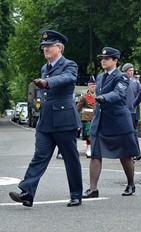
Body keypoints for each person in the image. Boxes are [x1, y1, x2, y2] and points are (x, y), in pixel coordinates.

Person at [9, 30, 83, 207]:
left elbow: (67, 78)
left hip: (64, 119)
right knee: (39, 156)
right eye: (44, 47)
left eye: (49, 46)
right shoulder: (45, 68)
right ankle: (27, 192)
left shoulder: (69, 65)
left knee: (70, 158)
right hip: (46, 121)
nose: (45, 49)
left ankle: (75, 194)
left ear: (59, 48)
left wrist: (47, 82)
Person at [82, 47, 139, 198]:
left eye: (107, 59)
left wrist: (104, 98)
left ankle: (130, 184)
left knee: (125, 155)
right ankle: (93, 188)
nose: (103, 61)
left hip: (118, 121)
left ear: (115, 61)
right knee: (95, 154)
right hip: (101, 120)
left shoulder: (123, 77)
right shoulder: (100, 77)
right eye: (102, 58)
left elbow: (119, 93)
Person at [123, 63, 141, 160]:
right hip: (123, 110)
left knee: (134, 132)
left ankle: (136, 152)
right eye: (129, 70)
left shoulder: (136, 82)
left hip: (133, 111)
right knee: (127, 132)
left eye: (132, 70)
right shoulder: (121, 81)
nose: (131, 72)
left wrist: (136, 103)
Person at [76, 79, 96, 158]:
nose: (93, 88)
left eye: (95, 86)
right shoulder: (84, 97)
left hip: (95, 117)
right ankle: (88, 149)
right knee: (89, 135)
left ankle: (94, 149)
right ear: (88, 86)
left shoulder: (98, 96)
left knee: (95, 135)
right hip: (87, 117)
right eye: (92, 86)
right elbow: (78, 108)